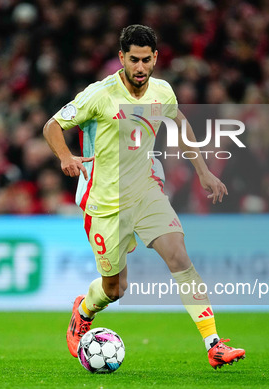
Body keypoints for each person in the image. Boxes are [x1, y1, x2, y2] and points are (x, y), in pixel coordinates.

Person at [43, 25, 245, 369]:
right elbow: (52, 126)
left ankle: (214, 344)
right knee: (115, 288)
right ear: (121, 58)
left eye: (146, 60)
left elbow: (180, 123)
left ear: (155, 58)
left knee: (180, 257)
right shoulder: (99, 95)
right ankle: (83, 311)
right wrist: (65, 157)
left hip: (146, 191)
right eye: (133, 59)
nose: (139, 67)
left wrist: (204, 171)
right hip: (104, 203)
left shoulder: (163, 92)